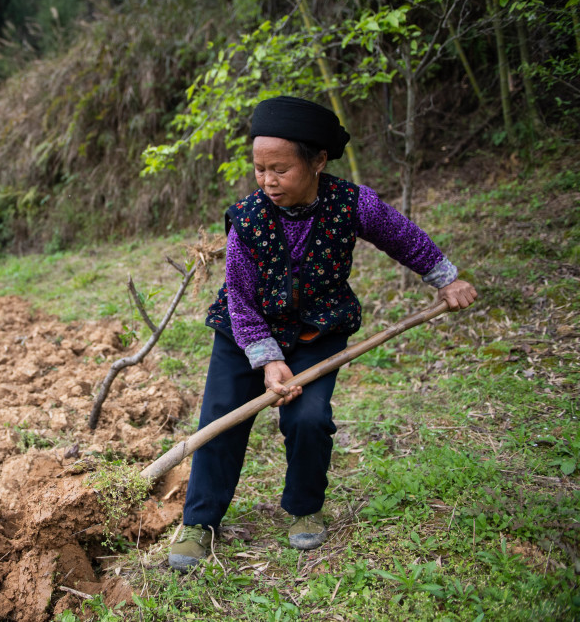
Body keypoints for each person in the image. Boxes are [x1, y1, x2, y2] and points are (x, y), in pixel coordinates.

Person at [168, 96, 477, 572]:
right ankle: (200, 522)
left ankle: (304, 507)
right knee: (221, 421)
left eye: (280, 169)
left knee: (309, 419)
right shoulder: (246, 221)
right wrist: (268, 360)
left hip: (317, 330)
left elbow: (404, 237)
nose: (268, 181)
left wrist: (446, 279)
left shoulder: (353, 204)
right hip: (244, 333)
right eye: (259, 169)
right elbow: (241, 301)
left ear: (317, 161)